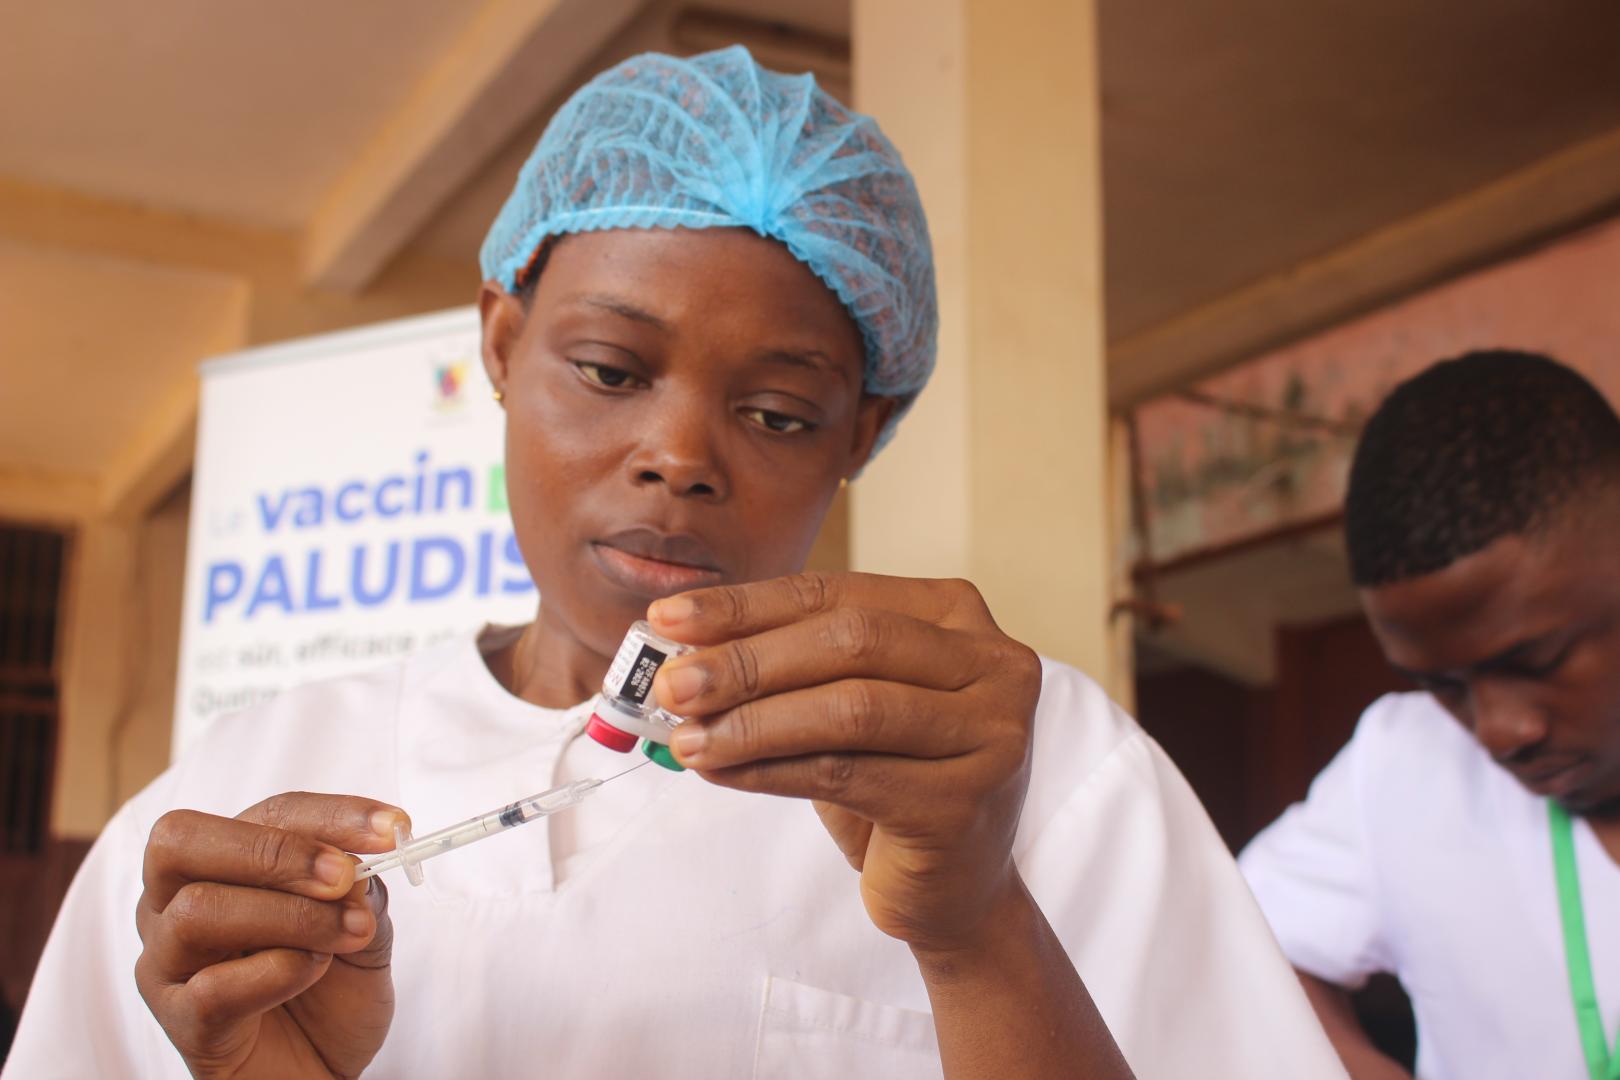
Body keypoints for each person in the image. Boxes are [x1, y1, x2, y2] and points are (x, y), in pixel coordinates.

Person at [6, 47, 1342, 1079]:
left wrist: (979, 930)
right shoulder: (239, 809)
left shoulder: (1041, 778)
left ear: (861, 433)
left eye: (780, 413)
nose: (680, 457)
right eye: (608, 369)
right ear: (501, 343)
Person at [1240, 350, 1620, 1079]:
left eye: (1538, 660)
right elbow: (1238, 941)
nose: (1498, 731)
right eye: (1443, 684)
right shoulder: (1403, 763)